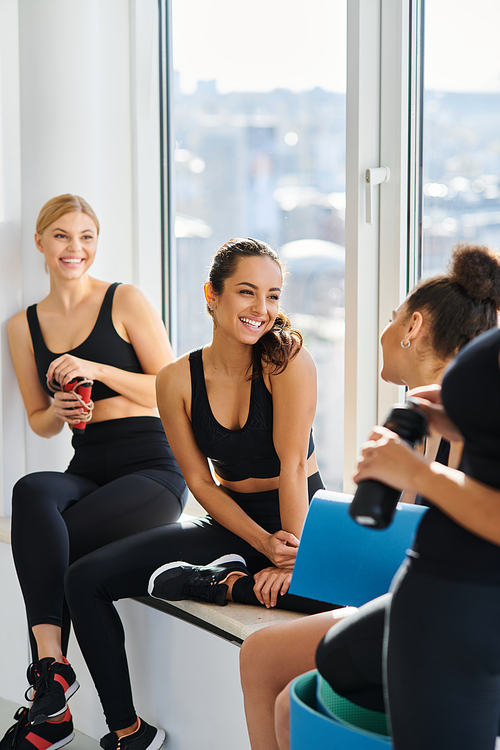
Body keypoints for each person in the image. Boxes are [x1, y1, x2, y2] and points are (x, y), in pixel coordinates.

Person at [58, 237, 345, 750]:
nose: (262, 309)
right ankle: (126, 732)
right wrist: (260, 541)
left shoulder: (287, 361)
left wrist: (288, 555)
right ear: (212, 295)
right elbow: (199, 483)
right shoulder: (176, 380)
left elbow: (293, 467)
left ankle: (221, 586)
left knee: (348, 599)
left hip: (301, 513)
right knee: (85, 578)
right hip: (232, 520)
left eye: (273, 295)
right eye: (247, 292)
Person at [241, 242, 500, 750]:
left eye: (391, 315)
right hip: (427, 599)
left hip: (459, 615)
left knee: (272, 666)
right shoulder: (442, 415)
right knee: (286, 706)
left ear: (413, 327)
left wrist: (415, 473)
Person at [1, 195, 187, 750]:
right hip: (89, 463)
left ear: (97, 242)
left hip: (152, 466)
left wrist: (95, 367)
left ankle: (52, 707)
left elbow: (171, 385)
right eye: (61, 236)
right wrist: (57, 411)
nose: (74, 248)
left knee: (63, 547)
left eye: (86, 236)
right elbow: (39, 422)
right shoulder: (23, 326)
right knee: (32, 490)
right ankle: (56, 673)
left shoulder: (124, 300)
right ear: (40, 242)